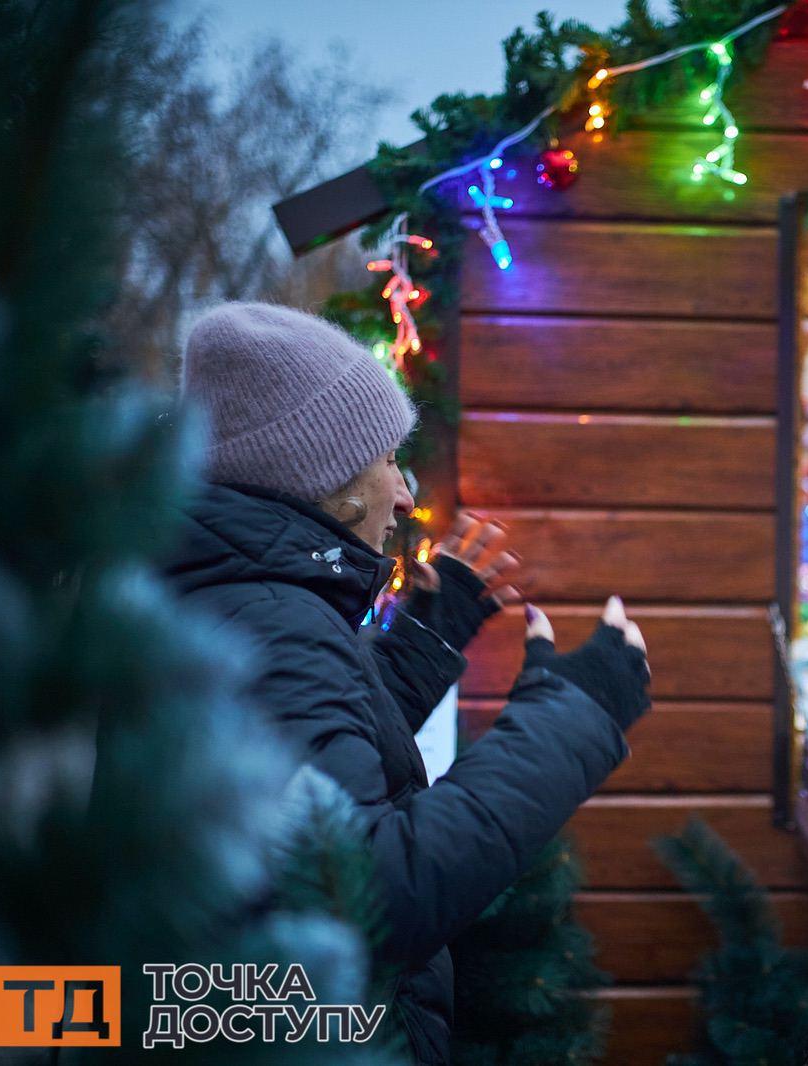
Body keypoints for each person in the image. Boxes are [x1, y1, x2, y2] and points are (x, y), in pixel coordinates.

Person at [167, 302, 651, 1064]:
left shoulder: (254, 602)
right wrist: (574, 716)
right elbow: (371, 891)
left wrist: (425, 636)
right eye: (388, 458)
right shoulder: (269, 621)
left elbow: (317, 759)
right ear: (321, 474)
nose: (404, 493)